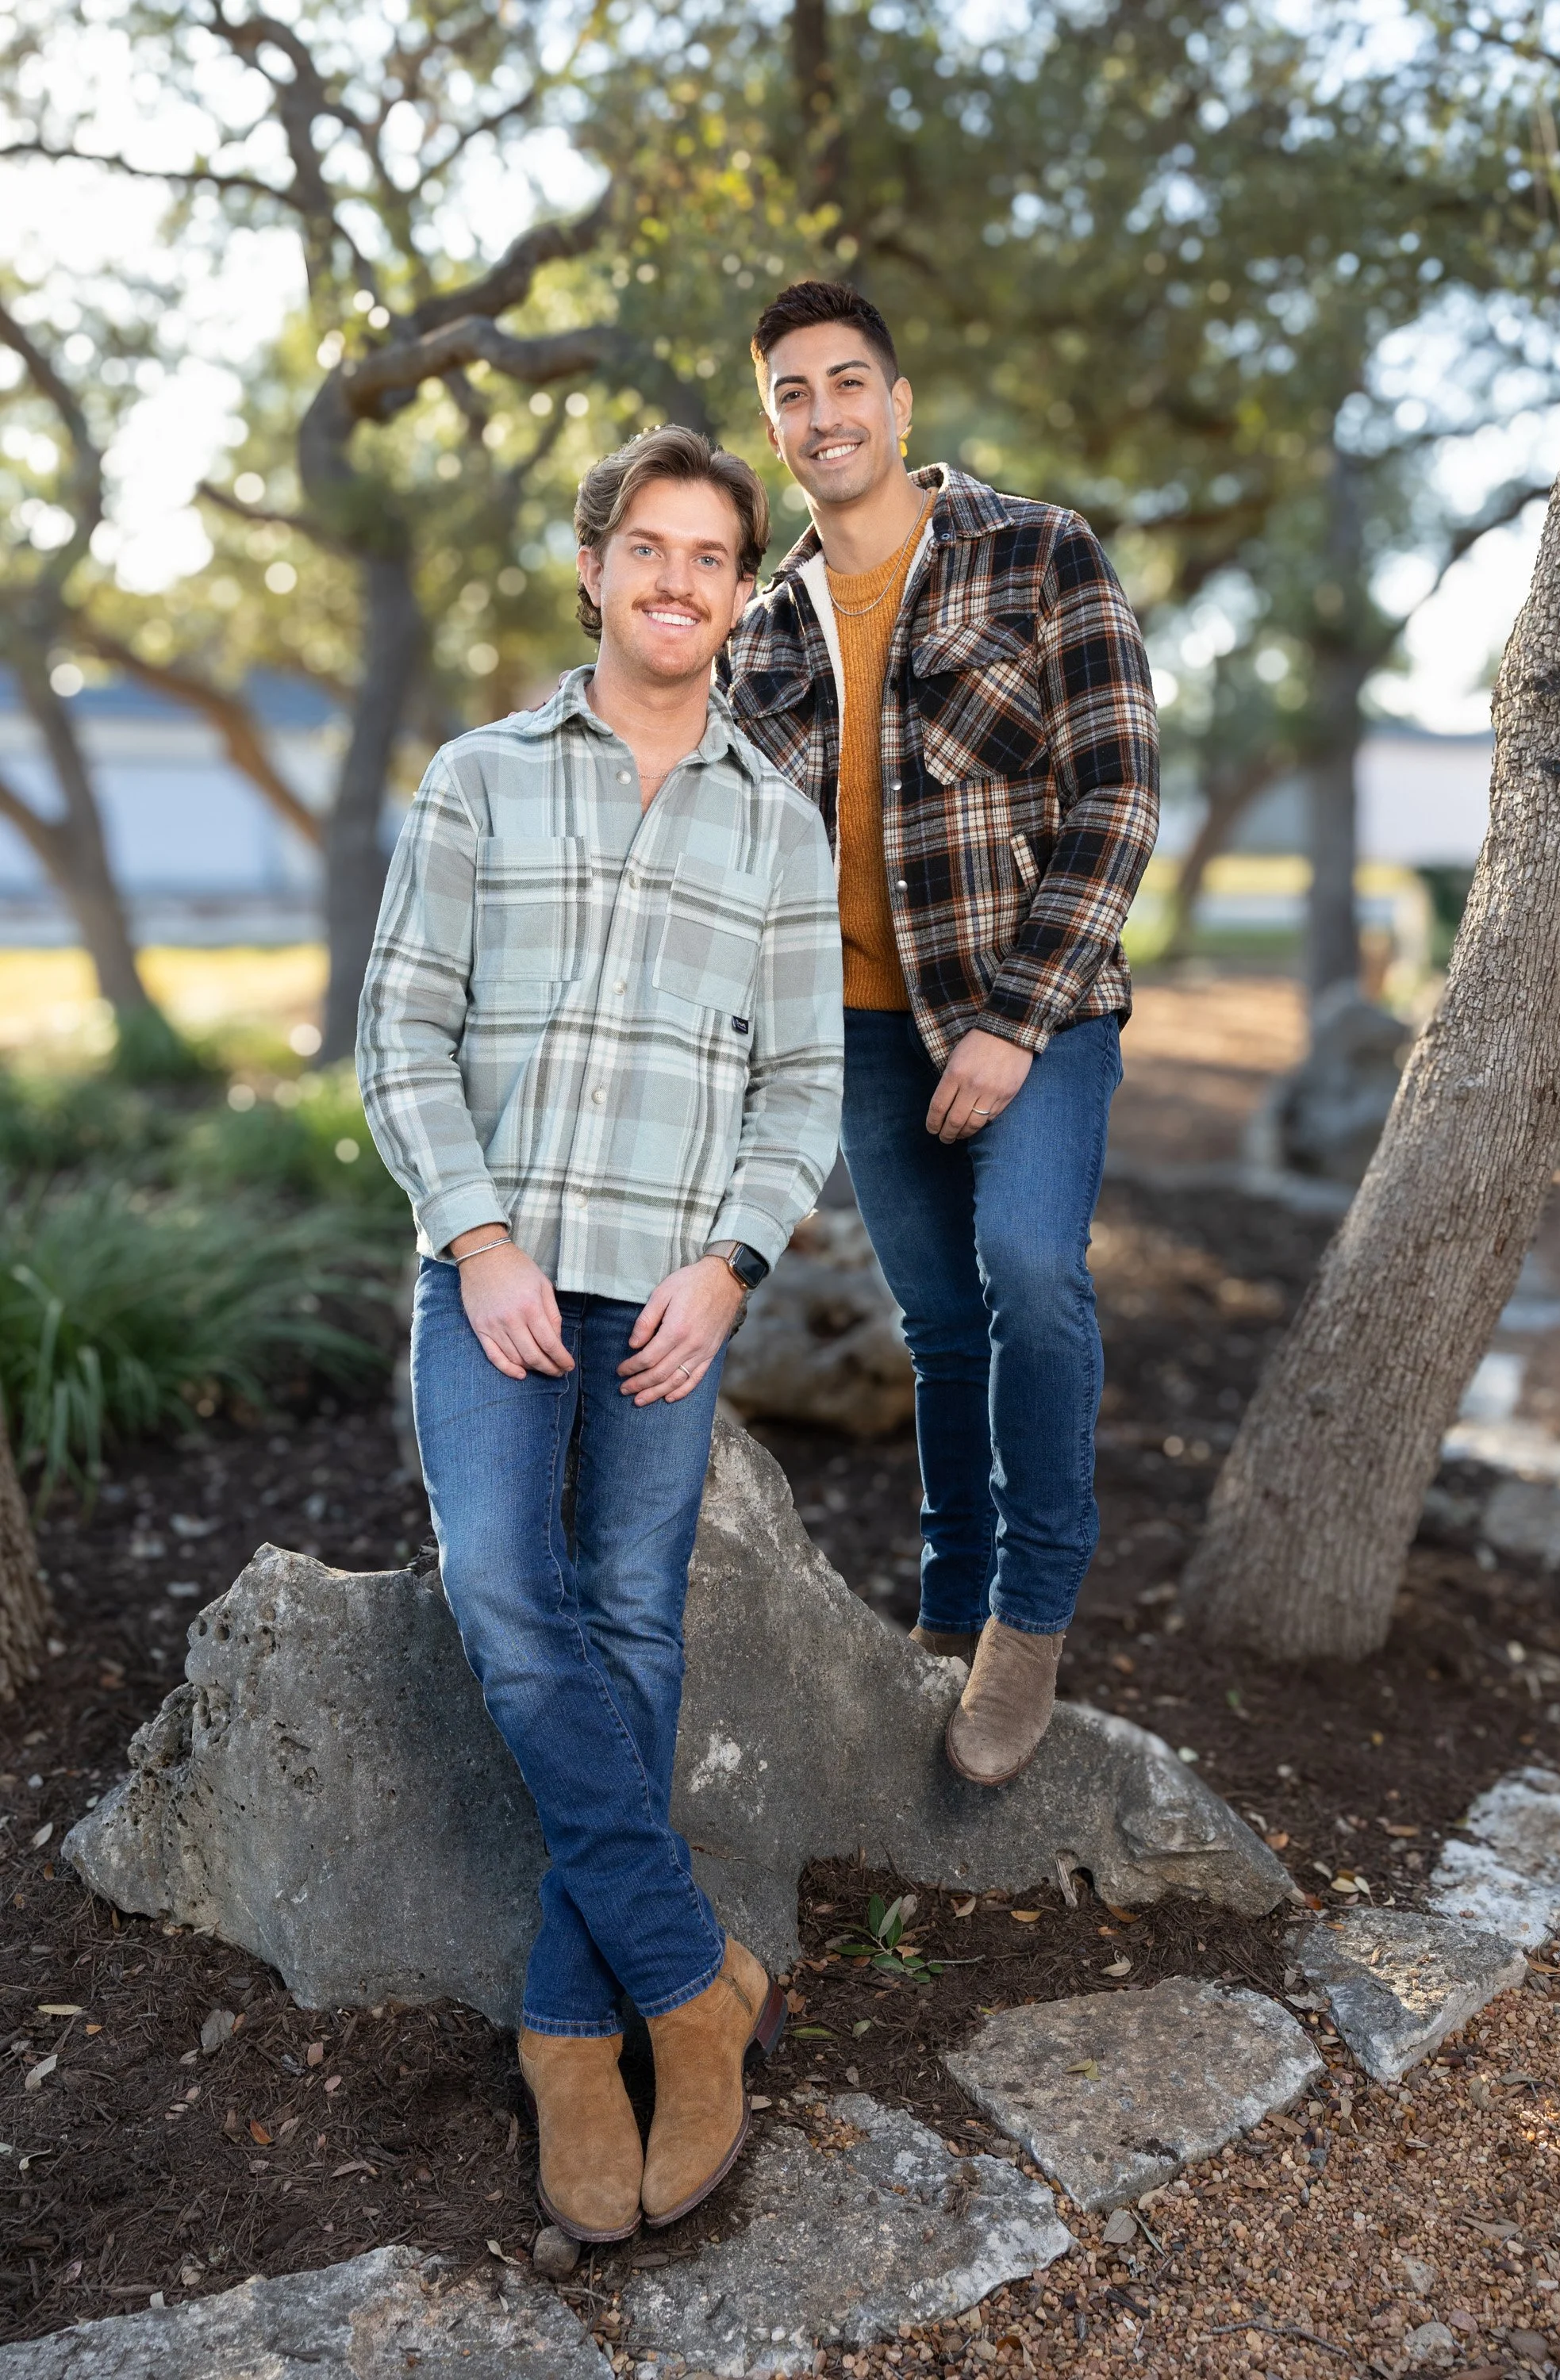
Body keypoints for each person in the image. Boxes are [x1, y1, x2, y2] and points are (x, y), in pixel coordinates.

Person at [357, 425, 843, 2245]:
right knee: (502, 1587)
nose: (676, 582)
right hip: (490, 1272)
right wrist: (477, 1239)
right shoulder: (481, 777)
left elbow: (801, 1083)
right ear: (592, 568)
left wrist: (727, 1265)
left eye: (712, 558)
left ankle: (574, 2034)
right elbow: (401, 1033)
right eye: (647, 548)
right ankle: (689, 1969)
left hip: (668, 1291)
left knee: (634, 1612)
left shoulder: (772, 823)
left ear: (739, 592)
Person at [724, 280, 1159, 1790]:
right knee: (940, 1331)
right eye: (793, 391)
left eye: (850, 381)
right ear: (773, 423)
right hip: (854, 1031)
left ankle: (1029, 1621)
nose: (825, 412)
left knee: (1031, 1276)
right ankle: (952, 1605)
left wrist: (1016, 1022)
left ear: (901, 404)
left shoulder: (1038, 553)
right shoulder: (759, 626)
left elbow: (1118, 798)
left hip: (1033, 1011)